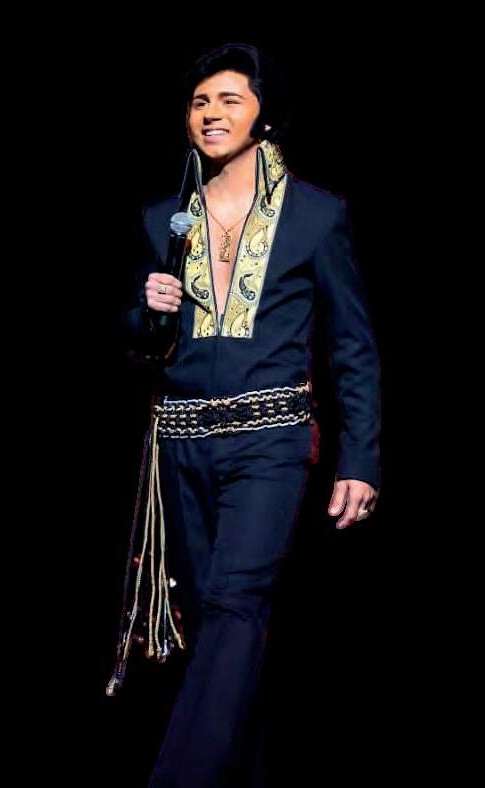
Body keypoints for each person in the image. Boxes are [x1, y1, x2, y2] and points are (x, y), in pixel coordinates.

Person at [106, 43, 382, 787]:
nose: (211, 113)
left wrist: (360, 459)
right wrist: (146, 311)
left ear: (264, 115)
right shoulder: (164, 219)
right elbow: (139, 345)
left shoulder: (317, 216)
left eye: (229, 99)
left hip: (271, 441)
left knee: (236, 603)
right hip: (182, 444)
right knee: (217, 629)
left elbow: (353, 346)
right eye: (199, 102)